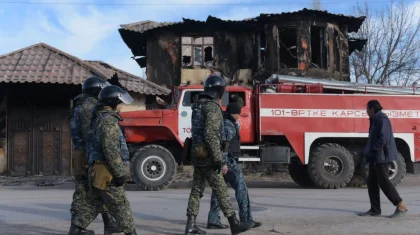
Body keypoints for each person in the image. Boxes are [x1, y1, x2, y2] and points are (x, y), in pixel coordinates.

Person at [184, 75, 251, 235]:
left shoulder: (198, 106)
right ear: (219, 90)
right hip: (209, 157)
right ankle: (234, 224)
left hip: (198, 154)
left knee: (197, 190)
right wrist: (219, 160)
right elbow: (211, 135)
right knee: (221, 189)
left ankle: (190, 225)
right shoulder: (212, 107)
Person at [68, 76, 120, 235]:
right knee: (85, 190)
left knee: (98, 188)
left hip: (82, 152)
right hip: (86, 153)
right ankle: (75, 228)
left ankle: (108, 223)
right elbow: (89, 134)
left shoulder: (81, 105)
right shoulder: (88, 108)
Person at [87, 85, 137, 235]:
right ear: (114, 102)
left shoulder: (100, 117)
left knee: (93, 205)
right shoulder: (108, 121)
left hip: (98, 169)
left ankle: (76, 228)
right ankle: (131, 233)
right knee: (122, 206)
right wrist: (119, 173)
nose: (121, 106)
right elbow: (111, 151)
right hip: (106, 171)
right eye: (119, 103)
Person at [207, 102, 262, 230]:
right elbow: (224, 146)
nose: (239, 116)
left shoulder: (226, 123)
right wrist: (224, 163)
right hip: (229, 162)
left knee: (218, 191)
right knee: (241, 190)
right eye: (238, 113)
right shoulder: (228, 126)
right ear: (234, 113)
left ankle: (213, 220)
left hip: (223, 162)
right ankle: (246, 220)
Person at [358, 100, 408, 218]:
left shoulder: (382, 119)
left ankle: (400, 205)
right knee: (372, 183)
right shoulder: (375, 119)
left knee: (384, 182)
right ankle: (375, 209)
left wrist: (373, 151)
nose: (366, 111)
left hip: (382, 156)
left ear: (372, 109)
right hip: (376, 156)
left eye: (367, 109)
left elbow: (383, 138)